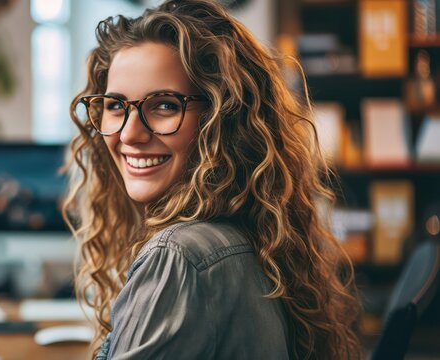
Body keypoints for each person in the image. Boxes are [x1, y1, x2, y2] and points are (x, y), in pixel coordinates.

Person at [62, 0, 362, 358]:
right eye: (115, 106)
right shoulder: (252, 238)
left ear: (222, 120)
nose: (129, 134)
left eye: (164, 105)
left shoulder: (179, 258)